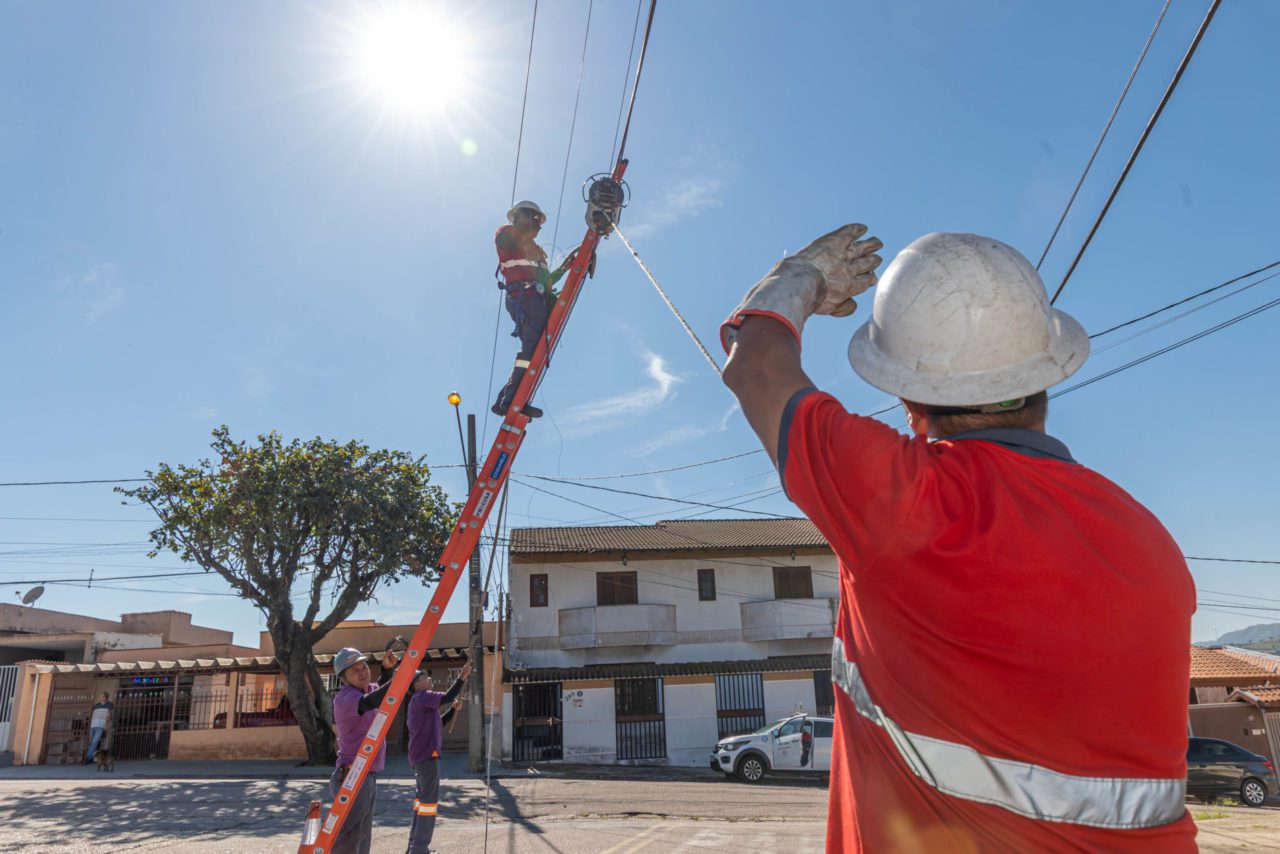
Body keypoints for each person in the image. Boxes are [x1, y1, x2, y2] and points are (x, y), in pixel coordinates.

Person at [720, 227, 1195, 851]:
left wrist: (804, 273)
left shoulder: (908, 502)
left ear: (910, 402)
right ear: (1044, 375)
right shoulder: (1148, 538)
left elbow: (754, 363)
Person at [492, 200, 578, 419]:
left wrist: (564, 268)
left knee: (538, 349)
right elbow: (509, 241)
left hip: (537, 299)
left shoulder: (536, 251)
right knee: (532, 347)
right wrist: (529, 242)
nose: (538, 225)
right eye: (535, 218)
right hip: (524, 299)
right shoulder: (507, 233)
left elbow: (546, 281)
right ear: (519, 216)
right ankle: (510, 400)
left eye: (539, 221)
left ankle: (512, 398)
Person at [330, 645, 400, 854]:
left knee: (362, 835)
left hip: (366, 774)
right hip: (353, 774)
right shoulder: (346, 698)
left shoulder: (367, 689)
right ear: (343, 678)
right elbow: (371, 701)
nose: (362, 672)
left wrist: (387, 670)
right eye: (355, 670)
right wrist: (399, 678)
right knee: (348, 836)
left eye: (364, 667)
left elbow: (378, 690)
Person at [405, 660, 473, 854]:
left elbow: (439, 723)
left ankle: (414, 845)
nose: (429, 678)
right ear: (416, 684)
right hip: (427, 757)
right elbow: (448, 696)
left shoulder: (420, 703)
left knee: (421, 802)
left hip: (421, 757)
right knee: (428, 804)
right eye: (424, 676)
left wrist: (453, 710)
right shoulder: (422, 696)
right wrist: (462, 676)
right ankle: (419, 848)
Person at [84, 691, 113, 764]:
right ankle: (90, 758)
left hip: (101, 726)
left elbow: (109, 716)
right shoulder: (96, 705)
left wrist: (106, 726)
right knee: (90, 742)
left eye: (101, 696)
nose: (100, 698)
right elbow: (92, 715)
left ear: (105, 697)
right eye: (100, 696)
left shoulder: (109, 705)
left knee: (95, 742)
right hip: (93, 725)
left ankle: (86, 758)